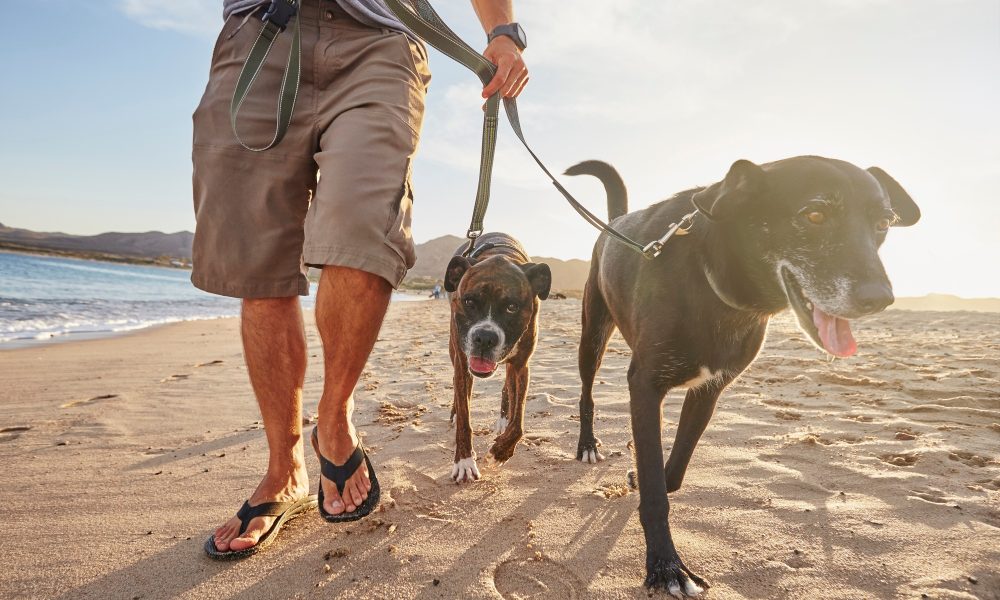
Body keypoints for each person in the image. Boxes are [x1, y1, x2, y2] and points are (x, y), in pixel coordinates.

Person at [192, 0, 529, 557]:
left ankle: (334, 414)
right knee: (261, 263)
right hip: (261, 30)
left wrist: (503, 31)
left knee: (365, 231)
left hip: (383, 37)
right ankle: (284, 470)